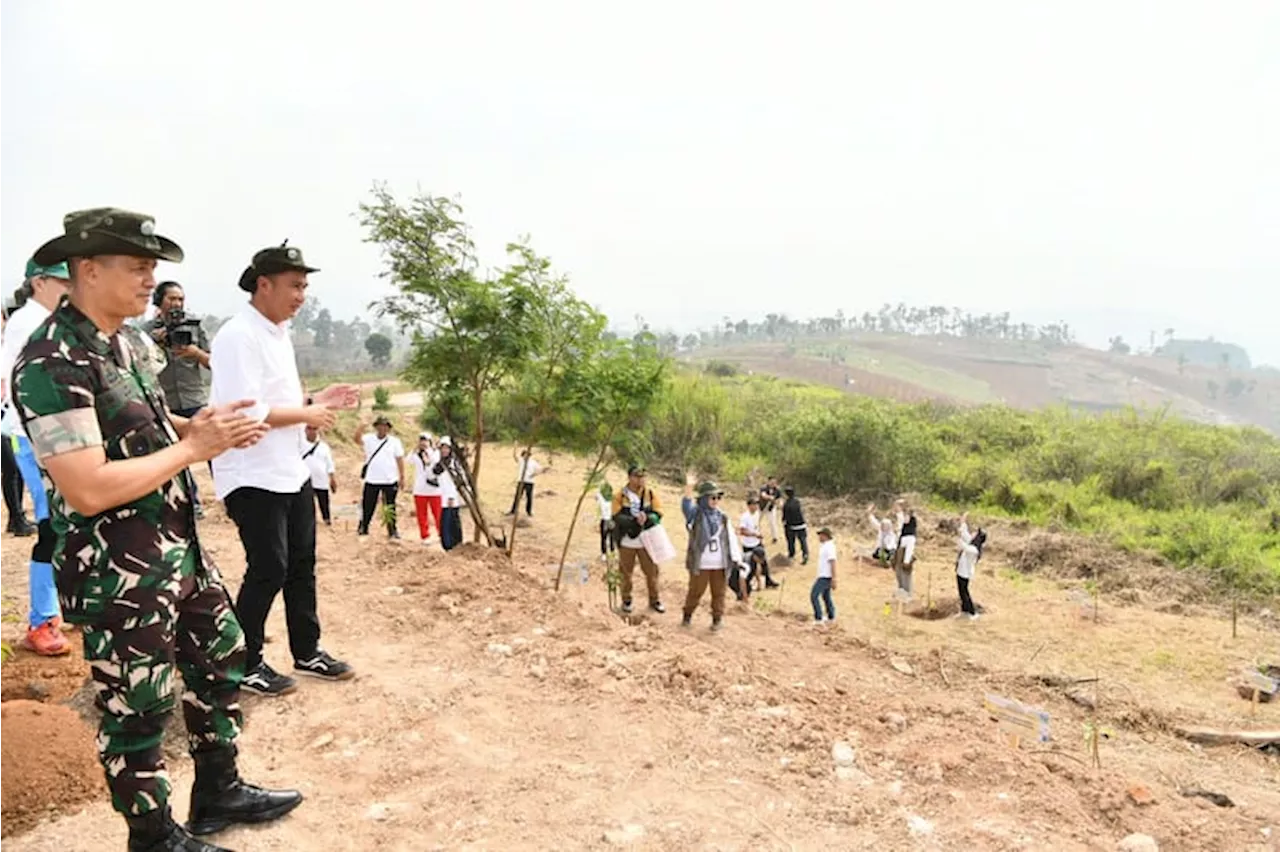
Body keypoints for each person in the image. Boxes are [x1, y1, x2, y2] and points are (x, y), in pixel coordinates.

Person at [14, 207, 302, 850]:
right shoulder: (50, 362)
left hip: (175, 546)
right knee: (137, 706)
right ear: (89, 269)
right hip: (114, 566)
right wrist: (192, 450)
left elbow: (151, 420)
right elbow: (85, 486)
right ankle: (151, 836)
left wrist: (200, 425)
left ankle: (218, 791)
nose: (152, 280)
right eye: (138, 266)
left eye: (153, 267)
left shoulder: (131, 342)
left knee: (221, 658)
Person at [211, 241, 361, 697]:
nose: (301, 296)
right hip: (250, 471)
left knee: (300, 564)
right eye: (295, 286)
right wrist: (307, 414)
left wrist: (316, 402)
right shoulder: (239, 335)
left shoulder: (277, 333)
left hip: (288, 468)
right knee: (268, 567)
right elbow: (247, 412)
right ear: (264, 284)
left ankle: (307, 649)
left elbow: (280, 401)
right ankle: (245, 662)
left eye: (305, 287)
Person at [0, 258, 72, 655]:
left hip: (56, 437)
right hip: (32, 438)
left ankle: (63, 605)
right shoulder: (30, 323)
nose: (71, 288)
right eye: (64, 280)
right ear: (39, 282)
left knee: (67, 524)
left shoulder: (54, 321)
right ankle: (41, 621)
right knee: (50, 526)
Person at [143, 280, 211, 515]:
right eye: (172, 298)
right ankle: (192, 502)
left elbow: (214, 363)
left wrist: (194, 352)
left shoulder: (195, 326)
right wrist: (155, 342)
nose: (177, 304)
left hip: (195, 398)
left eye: (180, 299)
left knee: (214, 450)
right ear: (159, 301)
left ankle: (230, 496)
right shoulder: (145, 332)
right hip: (166, 404)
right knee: (174, 456)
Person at [680, 480, 741, 632]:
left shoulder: (722, 516)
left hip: (720, 562)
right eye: (712, 497)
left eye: (718, 497)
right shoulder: (696, 515)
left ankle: (717, 619)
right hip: (701, 562)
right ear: (703, 499)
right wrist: (689, 487)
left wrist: (735, 558)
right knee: (696, 591)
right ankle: (687, 615)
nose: (715, 501)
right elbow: (686, 507)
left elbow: (729, 539)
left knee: (719, 593)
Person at [611, 464, 666, 614]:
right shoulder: (620, 495)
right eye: (637, 476)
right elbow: (616, 515)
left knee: (652, 572)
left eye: (643, 476)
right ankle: (626, 600)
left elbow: (659, 512)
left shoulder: (650, 494)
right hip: (627, 540)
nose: (641, 479)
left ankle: (654, 600)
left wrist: (647, 518)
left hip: (647, 540)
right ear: (630, 478)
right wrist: (633, 520)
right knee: (625, 572)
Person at [354, 415, 405, 538]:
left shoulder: (395, 442)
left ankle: (392, 530)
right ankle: (363, 527)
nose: (383, 428)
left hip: (389, 479)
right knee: (368, 504)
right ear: (376, 427)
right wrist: (361, 427)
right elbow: (356, 440)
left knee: (390, 506)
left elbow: (399, 459)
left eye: (385, 426)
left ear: (388, 428)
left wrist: (402, 476)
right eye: (380, 425)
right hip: (372, 479)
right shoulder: (369, 438)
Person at [738, 494, 778, 591]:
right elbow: (742, 531)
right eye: (754, 504)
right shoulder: (745, 517)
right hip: (748, 544)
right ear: (749, 506)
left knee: (764, 562)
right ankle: (747, 584)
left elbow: (756, 526)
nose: (756, 506)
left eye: (757, 504)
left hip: (757, 542)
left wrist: (758, 535)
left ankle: (768, 581)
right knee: (750, 565)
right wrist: (754, 535)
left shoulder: (756, 514)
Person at [408, 431, 442, 544]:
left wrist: (428, 458)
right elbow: (408, 460)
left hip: (434, 490)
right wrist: (415, 449)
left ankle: (441, 534)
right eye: (421, 440)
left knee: (438, 514)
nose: (423, 443)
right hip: (419, 489)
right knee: (421, 515)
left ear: (430, 442)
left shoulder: (435, 453)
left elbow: (436, 465)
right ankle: (425, 536)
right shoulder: (415, 454)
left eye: (425, 440)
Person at [433, 438, 465, 550]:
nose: (444, 450)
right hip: (442, 497)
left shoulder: (454, 463)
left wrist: (451, 496)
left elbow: (456, 481)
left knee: (451, 522)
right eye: (442, 448)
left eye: (447, 448)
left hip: (451, 498)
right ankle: (448, 546)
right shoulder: (440, 463)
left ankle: (454, 545)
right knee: (445, 523)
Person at [302, 424, 336, 526]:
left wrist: (332, 478)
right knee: (306, 503)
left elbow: (329, 463)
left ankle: (326, 518)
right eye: (309, 428)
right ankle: (308, 520)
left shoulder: (324, 447)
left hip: (321, 480)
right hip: (304, 480)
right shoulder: (300, 445)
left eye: (314, 428)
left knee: (324, 501)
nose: (312, 431)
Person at [955, 512, 987, 621]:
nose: (972, 534)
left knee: (964, 592)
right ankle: (964, 610)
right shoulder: (971, 543)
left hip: (965, 573)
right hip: (960, 571)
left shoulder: (974, 550)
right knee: (961, 592)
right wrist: (963, 521)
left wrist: (959, 538)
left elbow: (963, 545)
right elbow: (965, 533)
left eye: (975, 533)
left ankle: (972, 612)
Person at [509, 447, 545, 517]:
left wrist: (534, 474)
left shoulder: (533, 462)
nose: (526, 456)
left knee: (529, 497)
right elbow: (514, 456)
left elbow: (541, 469)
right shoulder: (521, 461)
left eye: (527, 455)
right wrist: (515, 447)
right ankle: (513, 510)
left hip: (529, 482)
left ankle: (529, 511)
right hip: (521, 481)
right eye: (525, 455)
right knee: (518, 496)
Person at [811, 526, 838, 625]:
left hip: (825, 576)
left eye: (820, 535)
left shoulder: (829, 547)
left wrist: (834, 578)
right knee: (826, 597)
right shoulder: (825, 546)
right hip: (824, 575)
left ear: (825, 536)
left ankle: (819, 618)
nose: (819, 537)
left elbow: (833, 561)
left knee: (814, 595)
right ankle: (831, 617)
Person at [892, 499, 919, 596]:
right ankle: (901, 588)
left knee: (905, 566)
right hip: (900, 543)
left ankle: (907, 591)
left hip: (907, 543)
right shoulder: (901, 518)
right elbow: (898, 511)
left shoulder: (911, 520)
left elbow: (906, 518)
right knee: (898, 568)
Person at [781, 486, 810, 565]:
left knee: (791, 541)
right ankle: (805, 554)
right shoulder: (797, 501)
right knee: (803, 541)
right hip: (801, 524)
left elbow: (785, 517)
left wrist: (783, 522)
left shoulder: (786, 504)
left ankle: (791, 554)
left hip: (791, 526)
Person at [758, 476, 782, 544]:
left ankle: (775, 537)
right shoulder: (763, 488)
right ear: (768, 482)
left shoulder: (777, 490)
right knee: (756, 522)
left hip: (771, 508)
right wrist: (770, 497)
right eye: (772, 482)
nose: (773, 483)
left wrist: (778, 503)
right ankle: (757, 536)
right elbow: (763, 495)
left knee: (773, 523)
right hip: (761, 507)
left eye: (774, 482)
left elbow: (779, 499)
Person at [596, 482, 616, 562]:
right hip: (608, 520)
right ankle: (608, 553)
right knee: (608, 538)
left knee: (608, 538)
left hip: (607, 520)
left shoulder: (602, 499)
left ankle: (608, 553)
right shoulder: (612, 499)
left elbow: (597, 494)